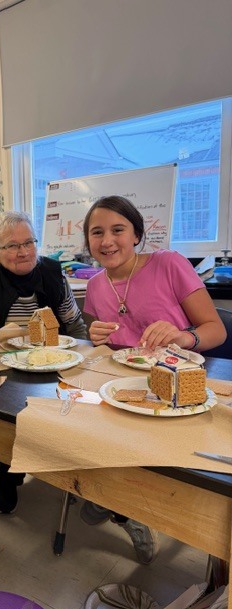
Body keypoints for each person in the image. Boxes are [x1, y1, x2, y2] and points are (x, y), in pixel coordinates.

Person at [81, 194, 226, 564]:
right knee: (81, 426)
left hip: (175, 386)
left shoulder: (169, 264)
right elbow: (102, 339)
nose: (107, 240)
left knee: (139, 452)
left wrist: (184, 336)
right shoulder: (96, 285)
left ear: (137, 235)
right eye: (97, 233)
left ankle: (132, 507)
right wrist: (94, 334)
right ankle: (110, 499)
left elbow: (216, 331)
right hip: (120, 388)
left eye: (118, 230)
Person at [0, 210, 87, 514]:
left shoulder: (53, 273)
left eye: (29, 242)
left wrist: (86, 354)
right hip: (6, 367)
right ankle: (9, 468)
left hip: (56, 361)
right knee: (12, 407)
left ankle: (67, 465)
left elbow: (75, 322)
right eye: (12, 246)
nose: (23, 251)